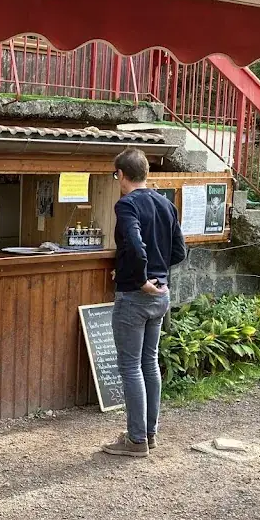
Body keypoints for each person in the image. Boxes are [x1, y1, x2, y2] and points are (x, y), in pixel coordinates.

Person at [102, 147, 186, 458]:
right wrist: (158, 275)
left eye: (116, 175)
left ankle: (136, 440)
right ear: (146, 174)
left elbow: (136, 246)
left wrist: (140, 278)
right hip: (161, 295)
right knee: (150, 364)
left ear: (121, 175)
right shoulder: (166, 203)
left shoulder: (126, 205)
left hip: (136, 295)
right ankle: (149, 433)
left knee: (129, 366)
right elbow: (180, 251)